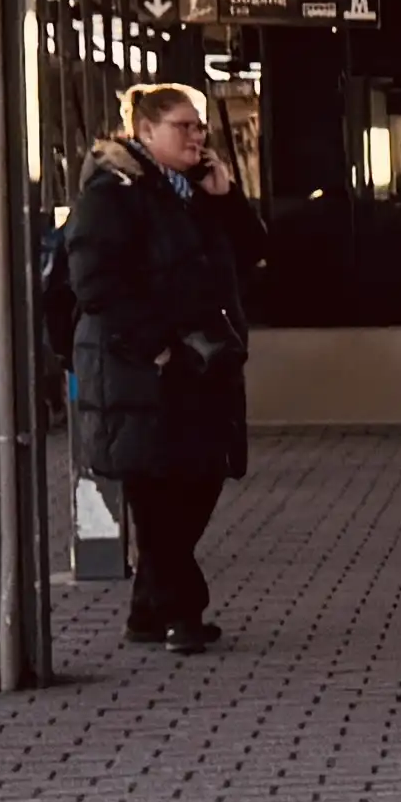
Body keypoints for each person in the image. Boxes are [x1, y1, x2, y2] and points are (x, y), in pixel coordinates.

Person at [66, 79, 259, 650]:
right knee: (160, 492)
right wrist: (158, 347)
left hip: (199, 364)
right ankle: (183, 615)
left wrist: (228, 199)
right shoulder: (114, 192)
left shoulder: (192, 190)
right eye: (184, 126)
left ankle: (150, 610)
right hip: (141, 370)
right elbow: (96, 282)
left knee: (196, 479)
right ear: (145, 131)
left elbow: (254, 252)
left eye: (201, 125)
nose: (198, 136)